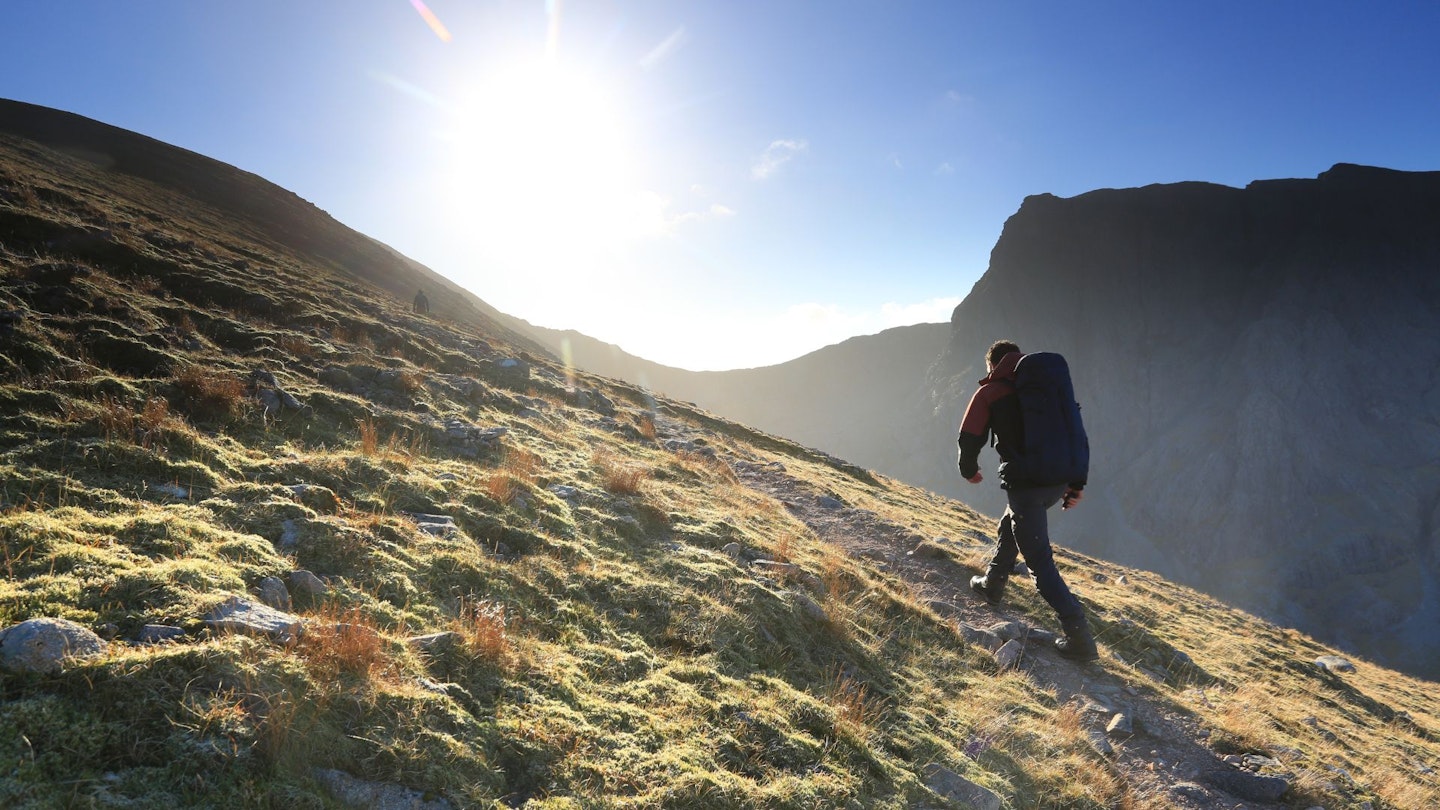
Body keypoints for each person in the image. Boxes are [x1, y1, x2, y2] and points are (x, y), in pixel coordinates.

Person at [957, 339, 1098, 661]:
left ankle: (1079, 637)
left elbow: (968, 437)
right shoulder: (1050, 389)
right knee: (1014, 520)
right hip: (1059, 479)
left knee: (1039, 561)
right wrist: (1076, 484)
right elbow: (1077, 434)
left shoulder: (991, 391)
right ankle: (993, 582)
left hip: (1028, 485)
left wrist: (969, 470)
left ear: (992, 365)